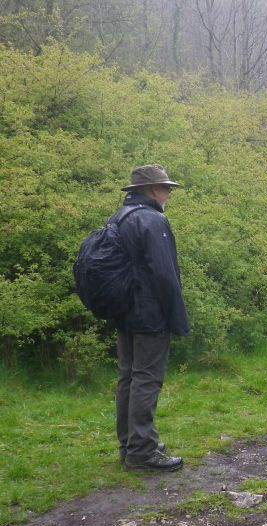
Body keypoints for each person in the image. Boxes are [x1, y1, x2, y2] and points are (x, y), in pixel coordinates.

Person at [114, 164, 189, 472]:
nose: (169, 192)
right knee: (146, 378)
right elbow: (164, 274)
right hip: (150, 313)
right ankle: (142, 452)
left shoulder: (120, 217)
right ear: (150, 190)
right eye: (165, 187)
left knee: (129, 377)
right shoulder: (152, 219)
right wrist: (177, 317)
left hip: (125, 310)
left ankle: (130, 445)